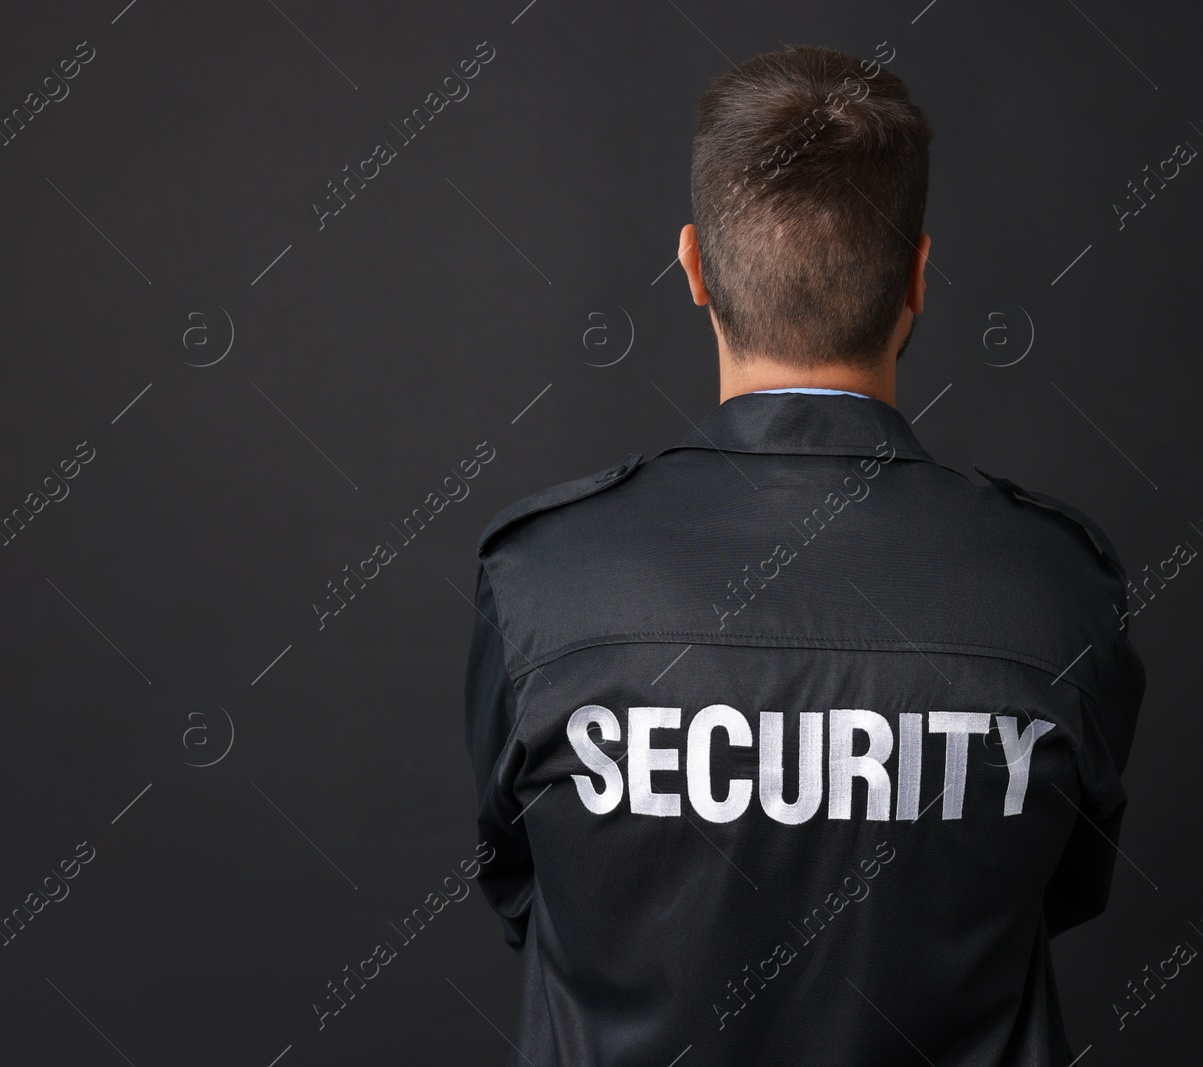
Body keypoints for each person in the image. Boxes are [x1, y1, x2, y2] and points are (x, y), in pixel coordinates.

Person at [464, 44, 1145, 1066]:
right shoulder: (1056, 585)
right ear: (918, 272)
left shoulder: (544, 576)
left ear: (692, 267)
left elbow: (523, 881)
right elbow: (1057, 890)